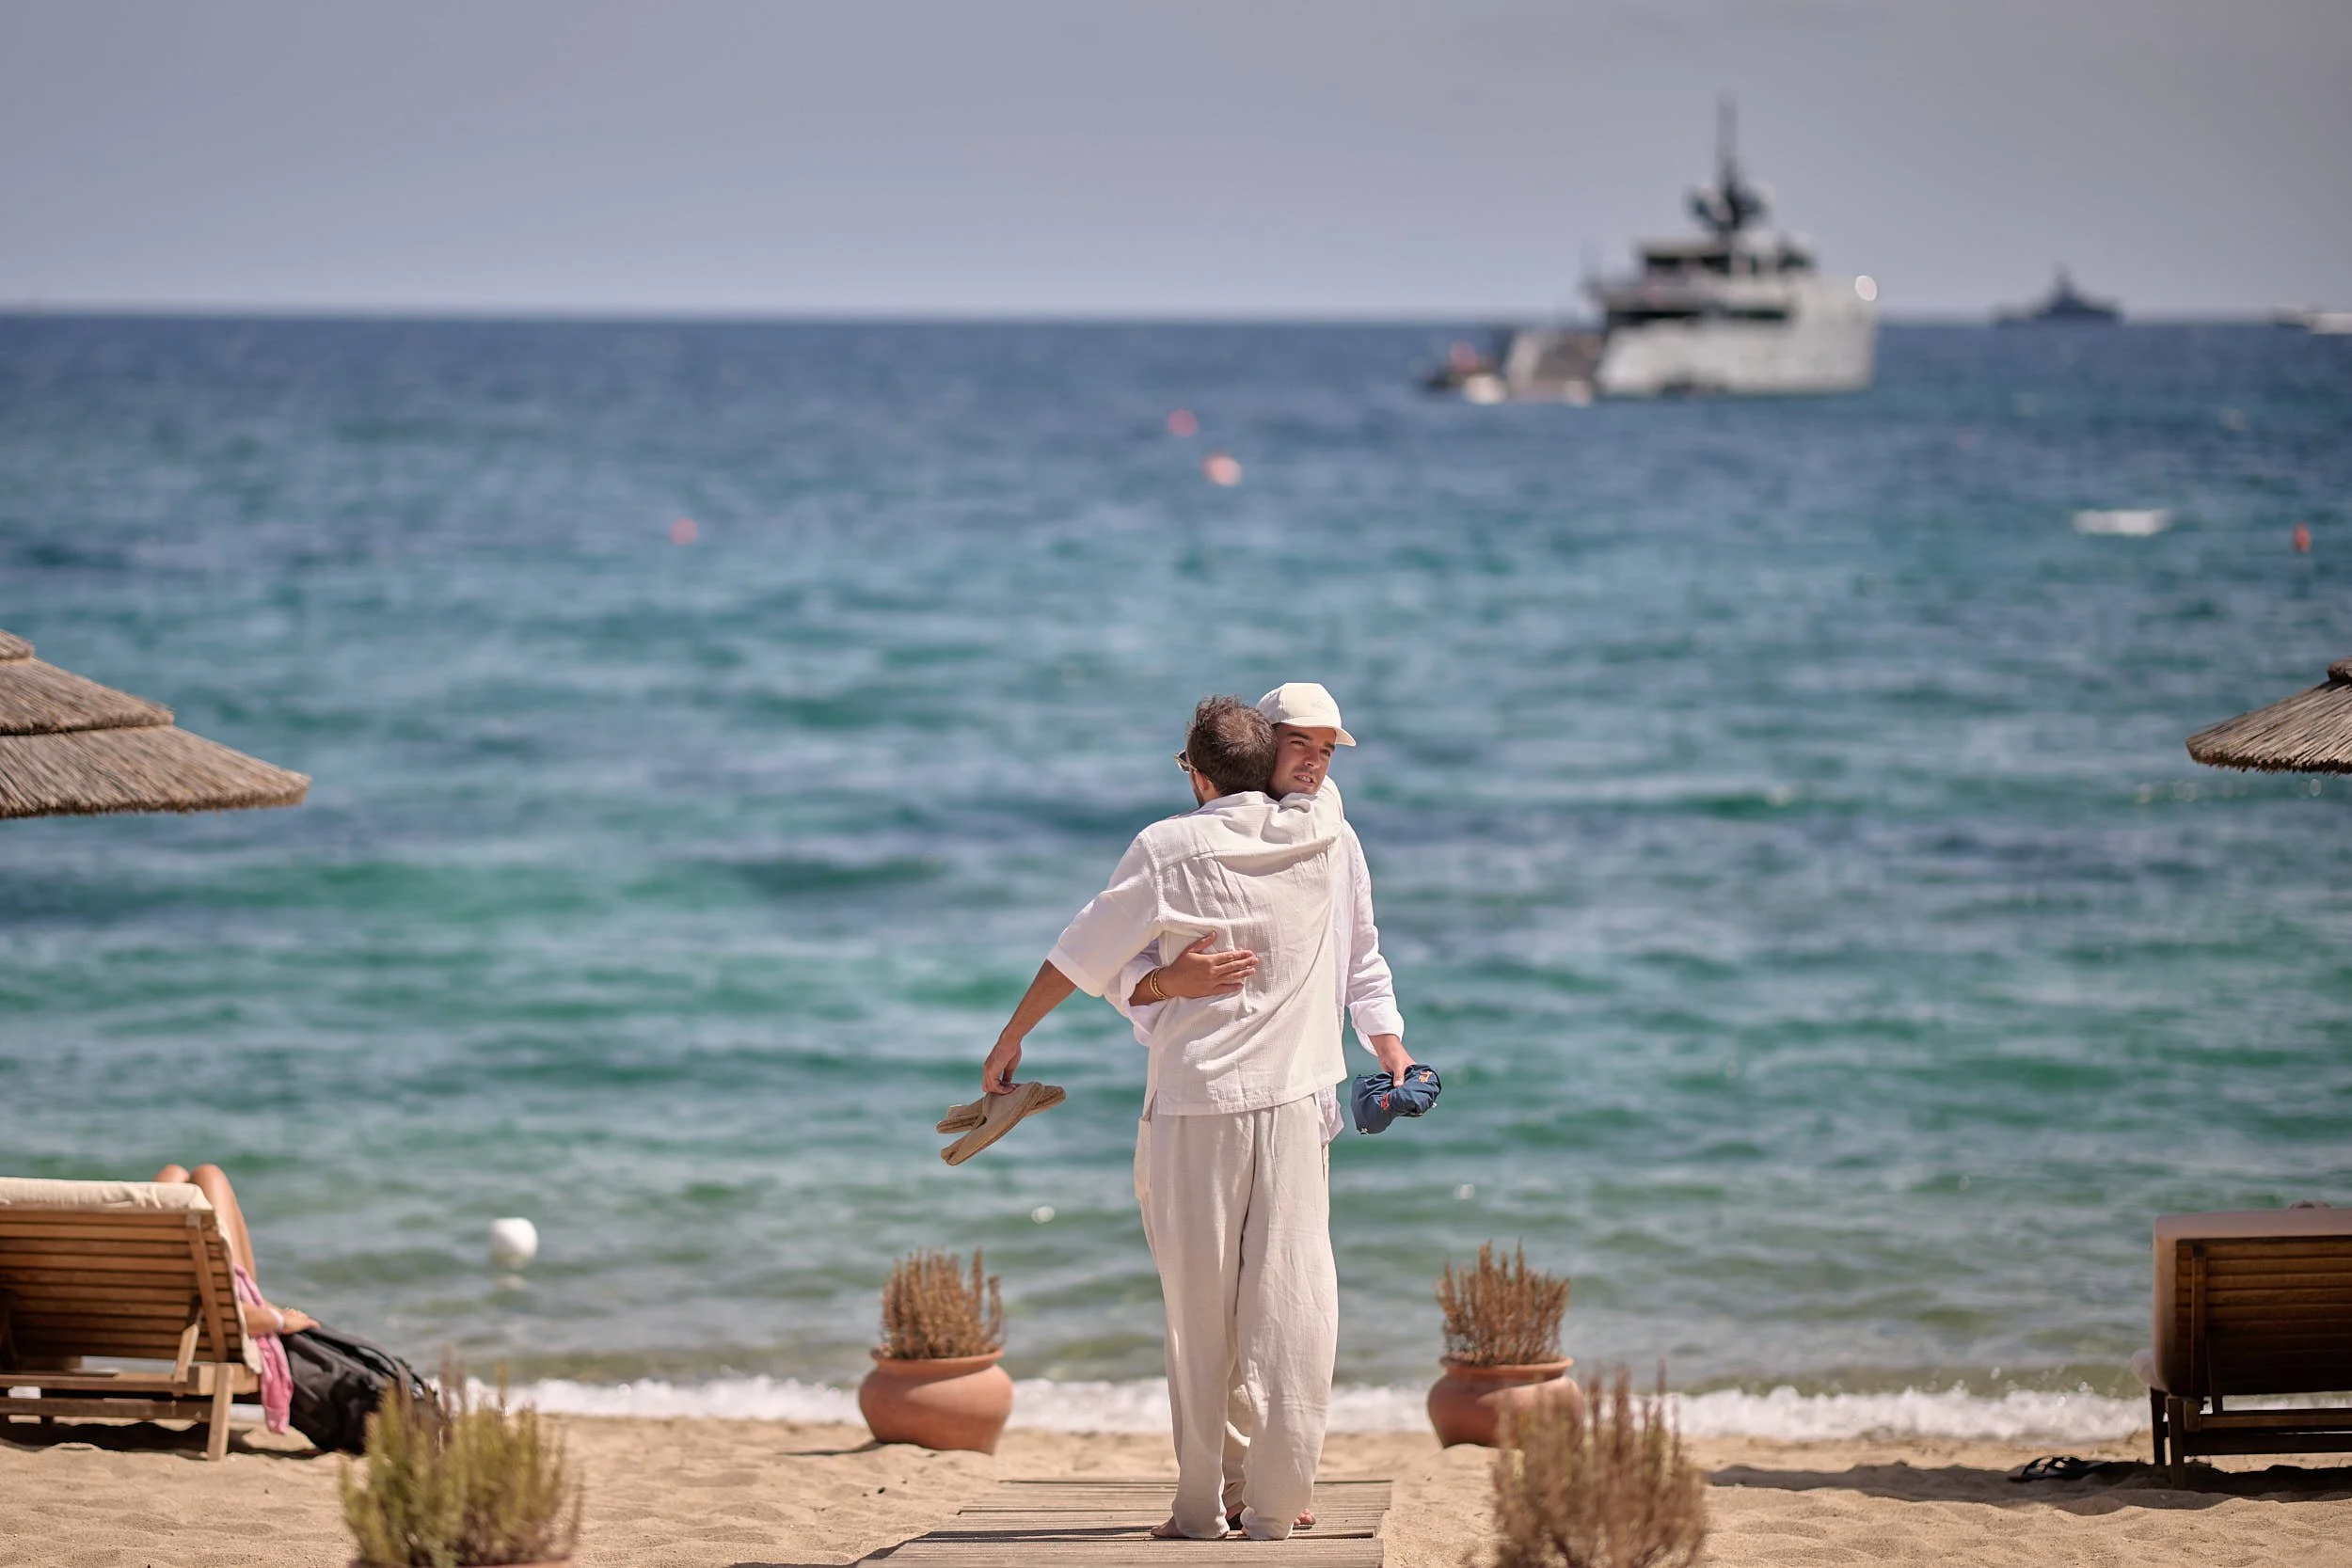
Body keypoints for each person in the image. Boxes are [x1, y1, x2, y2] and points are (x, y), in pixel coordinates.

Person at [980, 695, 1345, 1542]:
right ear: (1282, 765)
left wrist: (1011, 1035)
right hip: (1296, 1107)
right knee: (1293, 1304)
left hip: (1197, 1107)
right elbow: (1305, 767)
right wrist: (1167, 982)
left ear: (1199, 774)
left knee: (1198, 1312)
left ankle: (1198, 1509)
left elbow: (1080, 953)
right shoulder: (1323, 826)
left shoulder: (1169, 845)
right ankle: (1274, 1505)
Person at [1105, 682, 1410, 1532]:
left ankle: (1273, 1489)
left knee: (1284, 1304)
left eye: (1328, 750)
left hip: (1296, 1105)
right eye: (1300, 746)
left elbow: (1362, 960)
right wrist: (1164, 983)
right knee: (1211, 1307)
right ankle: (1231, 1487)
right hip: (1199, 1098)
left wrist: (1394, 1051)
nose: (1315, 762)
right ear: (1260, 749)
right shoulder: (1193, 847)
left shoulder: (1332, 837)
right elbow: (1120, 966)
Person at [154, 1163, 316, 1338]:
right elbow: (235, 1319)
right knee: (209, 1174)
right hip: (221, 1320)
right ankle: (246, 1299)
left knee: (173, 1174)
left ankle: (250, 1299)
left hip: (154, 1312)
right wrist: (279, 1320)